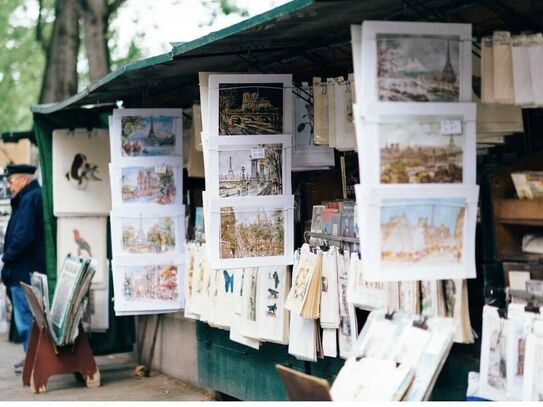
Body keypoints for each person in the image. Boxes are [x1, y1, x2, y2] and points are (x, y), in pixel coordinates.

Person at [0, 164, 45, 374]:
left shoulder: (29, 198)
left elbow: (22, 236)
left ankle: (33, 359)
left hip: (23, 269)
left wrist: (7, 257)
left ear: (24, 179)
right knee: (27, 316)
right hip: (25, 268)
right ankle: (31, 356)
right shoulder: (30, 196)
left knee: (26, 318)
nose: (8, 184)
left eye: (12, 180)